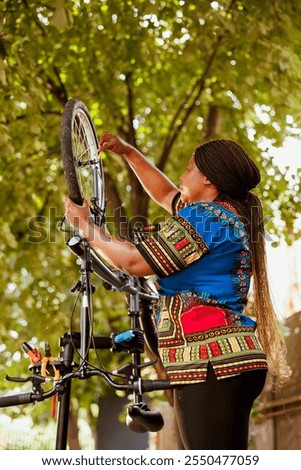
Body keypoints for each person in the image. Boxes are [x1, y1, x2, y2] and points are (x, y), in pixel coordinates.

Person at [64, 133, 291, 450]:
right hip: (227, 363)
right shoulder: (225, 214)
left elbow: (132, 260)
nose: (183, 176)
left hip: (212, 366)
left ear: (209, 179)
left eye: (189, 168)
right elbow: (167, 194)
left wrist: (85, 227)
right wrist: (129, 153)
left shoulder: (205, 218)